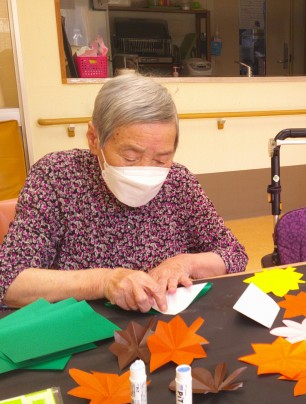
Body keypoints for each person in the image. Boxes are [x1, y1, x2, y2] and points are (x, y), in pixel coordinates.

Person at [0, 74, 248, 312]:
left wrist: (185, 263)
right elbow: (9, 281)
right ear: (94, 139)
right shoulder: (57, 177)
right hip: (84, 330)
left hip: (166, 324)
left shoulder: (178, 182)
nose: (145, 170)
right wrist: (103, 282)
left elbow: (233, 254)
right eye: (130, 157)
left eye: (161, 159)